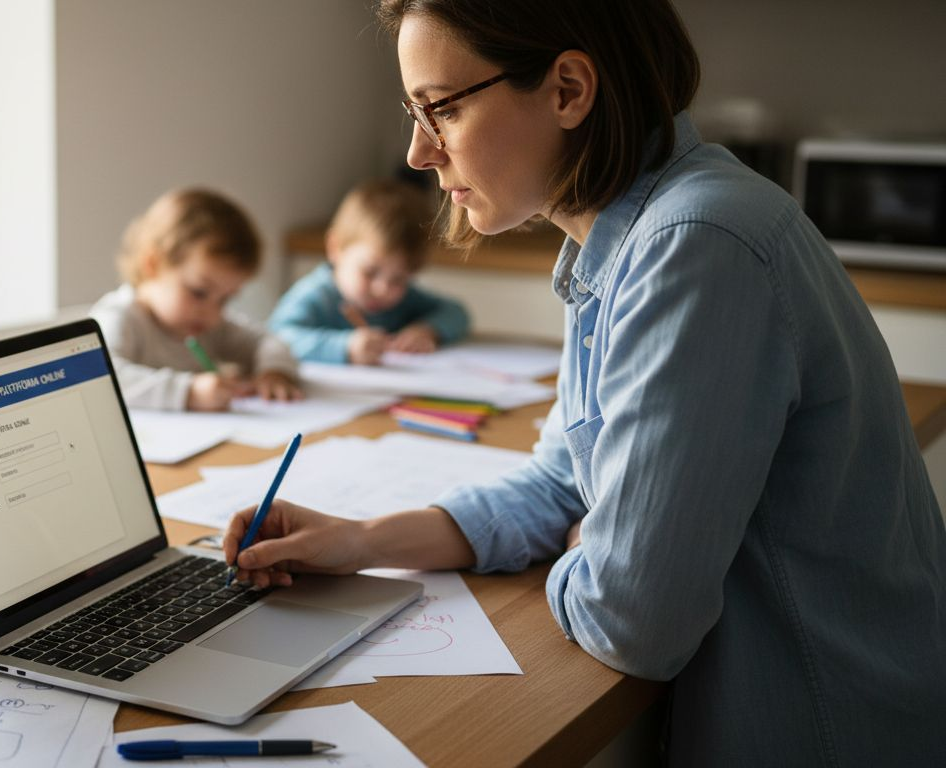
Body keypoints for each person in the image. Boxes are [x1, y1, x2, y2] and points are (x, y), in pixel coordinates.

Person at [223, 0, 946, 764]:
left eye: (440, 110)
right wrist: (359, 541)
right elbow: (560, 486)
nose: (417, 153)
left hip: (826, 730)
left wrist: (593, 547)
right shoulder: (624, 239)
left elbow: (633, 620)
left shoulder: (692, 246)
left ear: (568, 89)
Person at [91, 188, 301, 411]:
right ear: (152, 264)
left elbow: (269, 341)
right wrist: (187, 392)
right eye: (199, 292)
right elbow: (97, 378)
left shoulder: (210, 326)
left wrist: (274, 372)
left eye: (225, 300)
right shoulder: (120, 317)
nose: (213, 313)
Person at [268, 179, 470, 364]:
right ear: (335, 248)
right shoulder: (317, 296)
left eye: (399, 279)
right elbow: (277, 337)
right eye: (370, 272)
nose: (383, 289)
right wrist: (345, 346)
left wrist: (428, 330)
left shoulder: (405, 299)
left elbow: (456, 312)